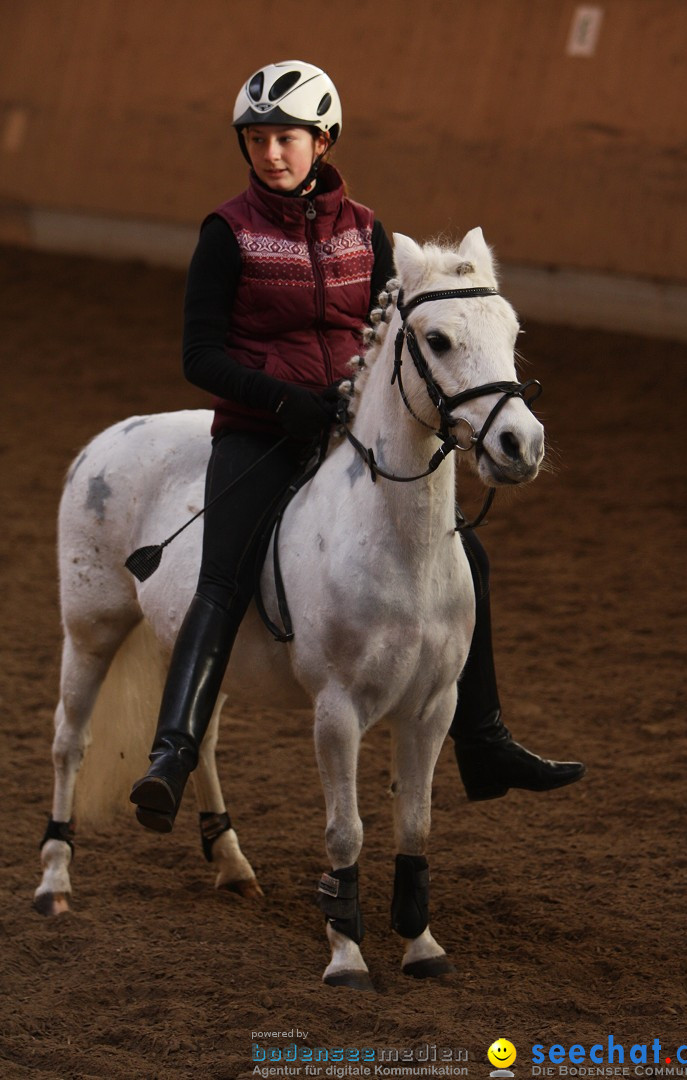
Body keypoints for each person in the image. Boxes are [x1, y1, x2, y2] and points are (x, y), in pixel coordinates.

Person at [130, 61, 585, 833]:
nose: (272, 153)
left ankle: (485, 738)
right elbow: (199, 356)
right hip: (261, 428)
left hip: (348, 425)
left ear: (323, 140)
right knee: (222, 573)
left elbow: (397, 340)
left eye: (287, 138)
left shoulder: (366, 229)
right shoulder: (227, 233)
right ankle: (172, 750)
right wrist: (280, 398)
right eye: (259, 139)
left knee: (468, 558)